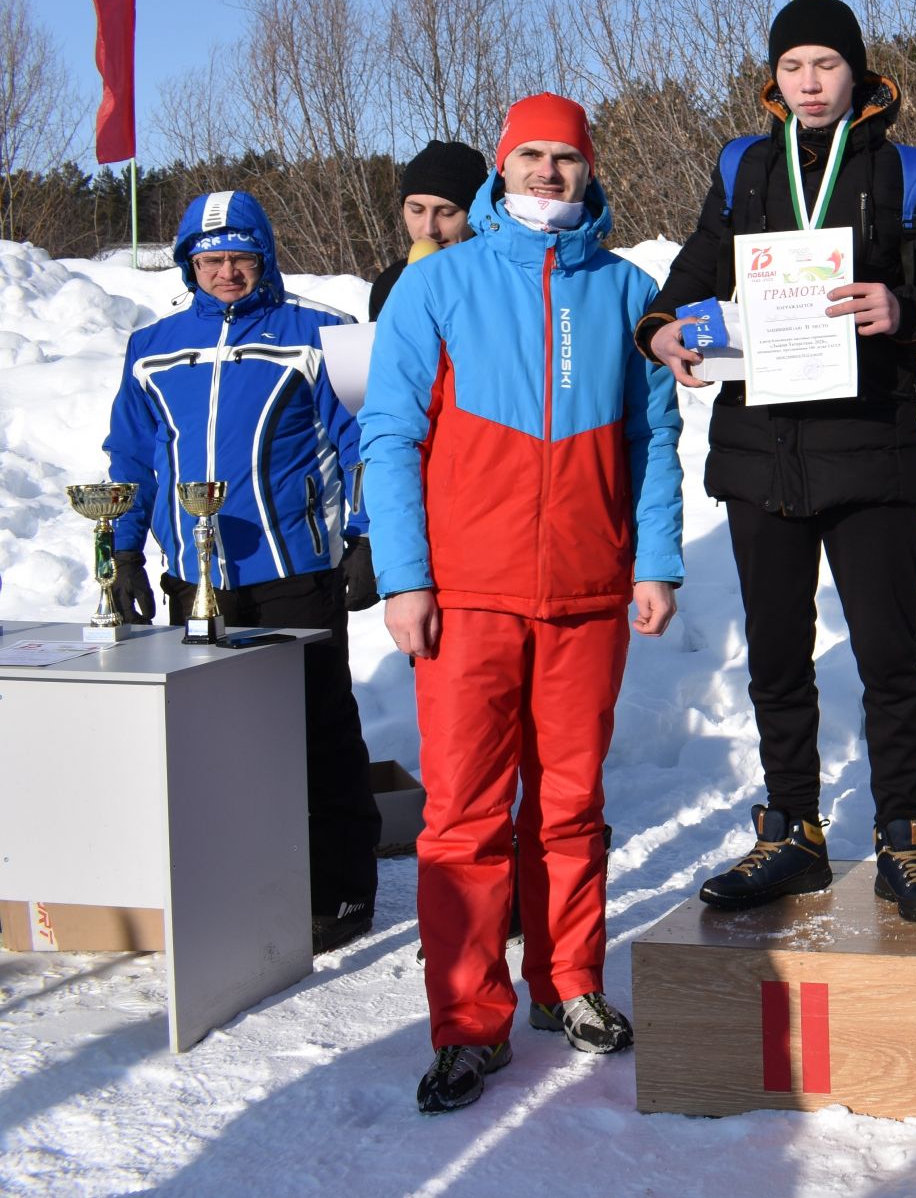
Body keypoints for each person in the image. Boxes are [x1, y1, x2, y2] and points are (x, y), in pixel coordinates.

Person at [360, 92, 684, 1114]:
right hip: (467, 595)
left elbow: (657, 439)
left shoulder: (631, 292)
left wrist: (656, 561)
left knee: (570, 802)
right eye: (532, 156)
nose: (549, 173)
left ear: (590, 171)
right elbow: (388, 435)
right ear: (504, 168)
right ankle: (467, 1021)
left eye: (567, 159)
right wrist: (405, 577)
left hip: (589, 593)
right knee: (461, 817)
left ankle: (570, 980)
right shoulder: (440, 284)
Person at [635, 0, 916, 922]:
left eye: (826, 65)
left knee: (885, 656)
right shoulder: (744, 163)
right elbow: (696, 270)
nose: (811, 82)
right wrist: (662, 330)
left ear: (857, 73)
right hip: (763, 454)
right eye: (794, 67)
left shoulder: (907, 171)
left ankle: (904, 836)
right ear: (774, 79)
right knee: (778, 659)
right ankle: (790, 831)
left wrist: (902, 309)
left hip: (869, 449)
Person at [104, 189, 382, 953]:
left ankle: (344, 887)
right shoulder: (152, 344)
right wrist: (123, 549)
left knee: (318, 728)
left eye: (241, 257)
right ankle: (233, 876)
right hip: (193, 577)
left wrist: (368, 537)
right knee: (209, 738)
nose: (227, 272)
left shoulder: (320, 334)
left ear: (265, 256)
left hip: (293, 568)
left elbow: (367, 441)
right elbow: (131, 456)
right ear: (189, 263)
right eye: (211, 259)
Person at [367, 139, 490, 320]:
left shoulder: (500, 283)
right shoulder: (388, 285)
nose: (429, 229)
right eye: (416, 210)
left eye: (447, 213)